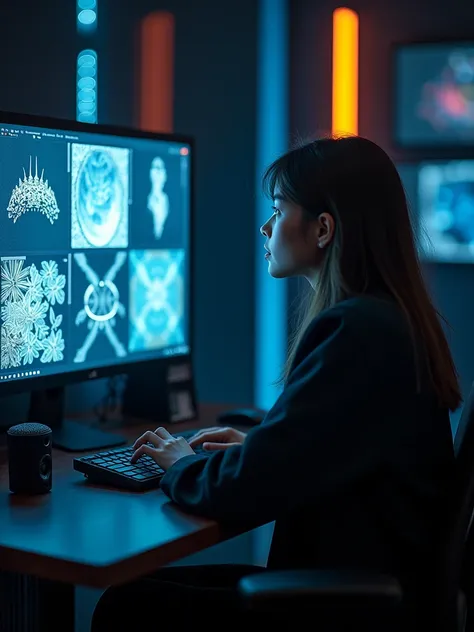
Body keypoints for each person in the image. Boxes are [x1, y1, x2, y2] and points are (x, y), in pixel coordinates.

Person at [91, 136, 460, 630]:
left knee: (124, 608)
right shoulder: (390, 319)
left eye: (278, 209)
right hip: (375, 594)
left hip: (343, 610)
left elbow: (247, 488)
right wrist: (261, 444)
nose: (266, 227)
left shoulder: (357, 330)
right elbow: (340, 450)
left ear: (323, 228)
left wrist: (180, 465)